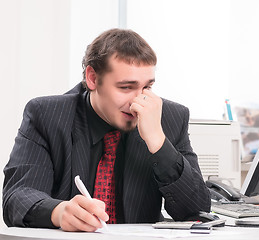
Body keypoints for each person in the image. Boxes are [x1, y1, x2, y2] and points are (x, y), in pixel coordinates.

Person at [2, 29, 210, 232]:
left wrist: (158, 143)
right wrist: (58, 211)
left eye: (147, 87)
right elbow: (17, 197)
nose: (138, 101)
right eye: (126, 87)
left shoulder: (170, 118)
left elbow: (198, 211)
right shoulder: (47, 115)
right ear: (92, 78)